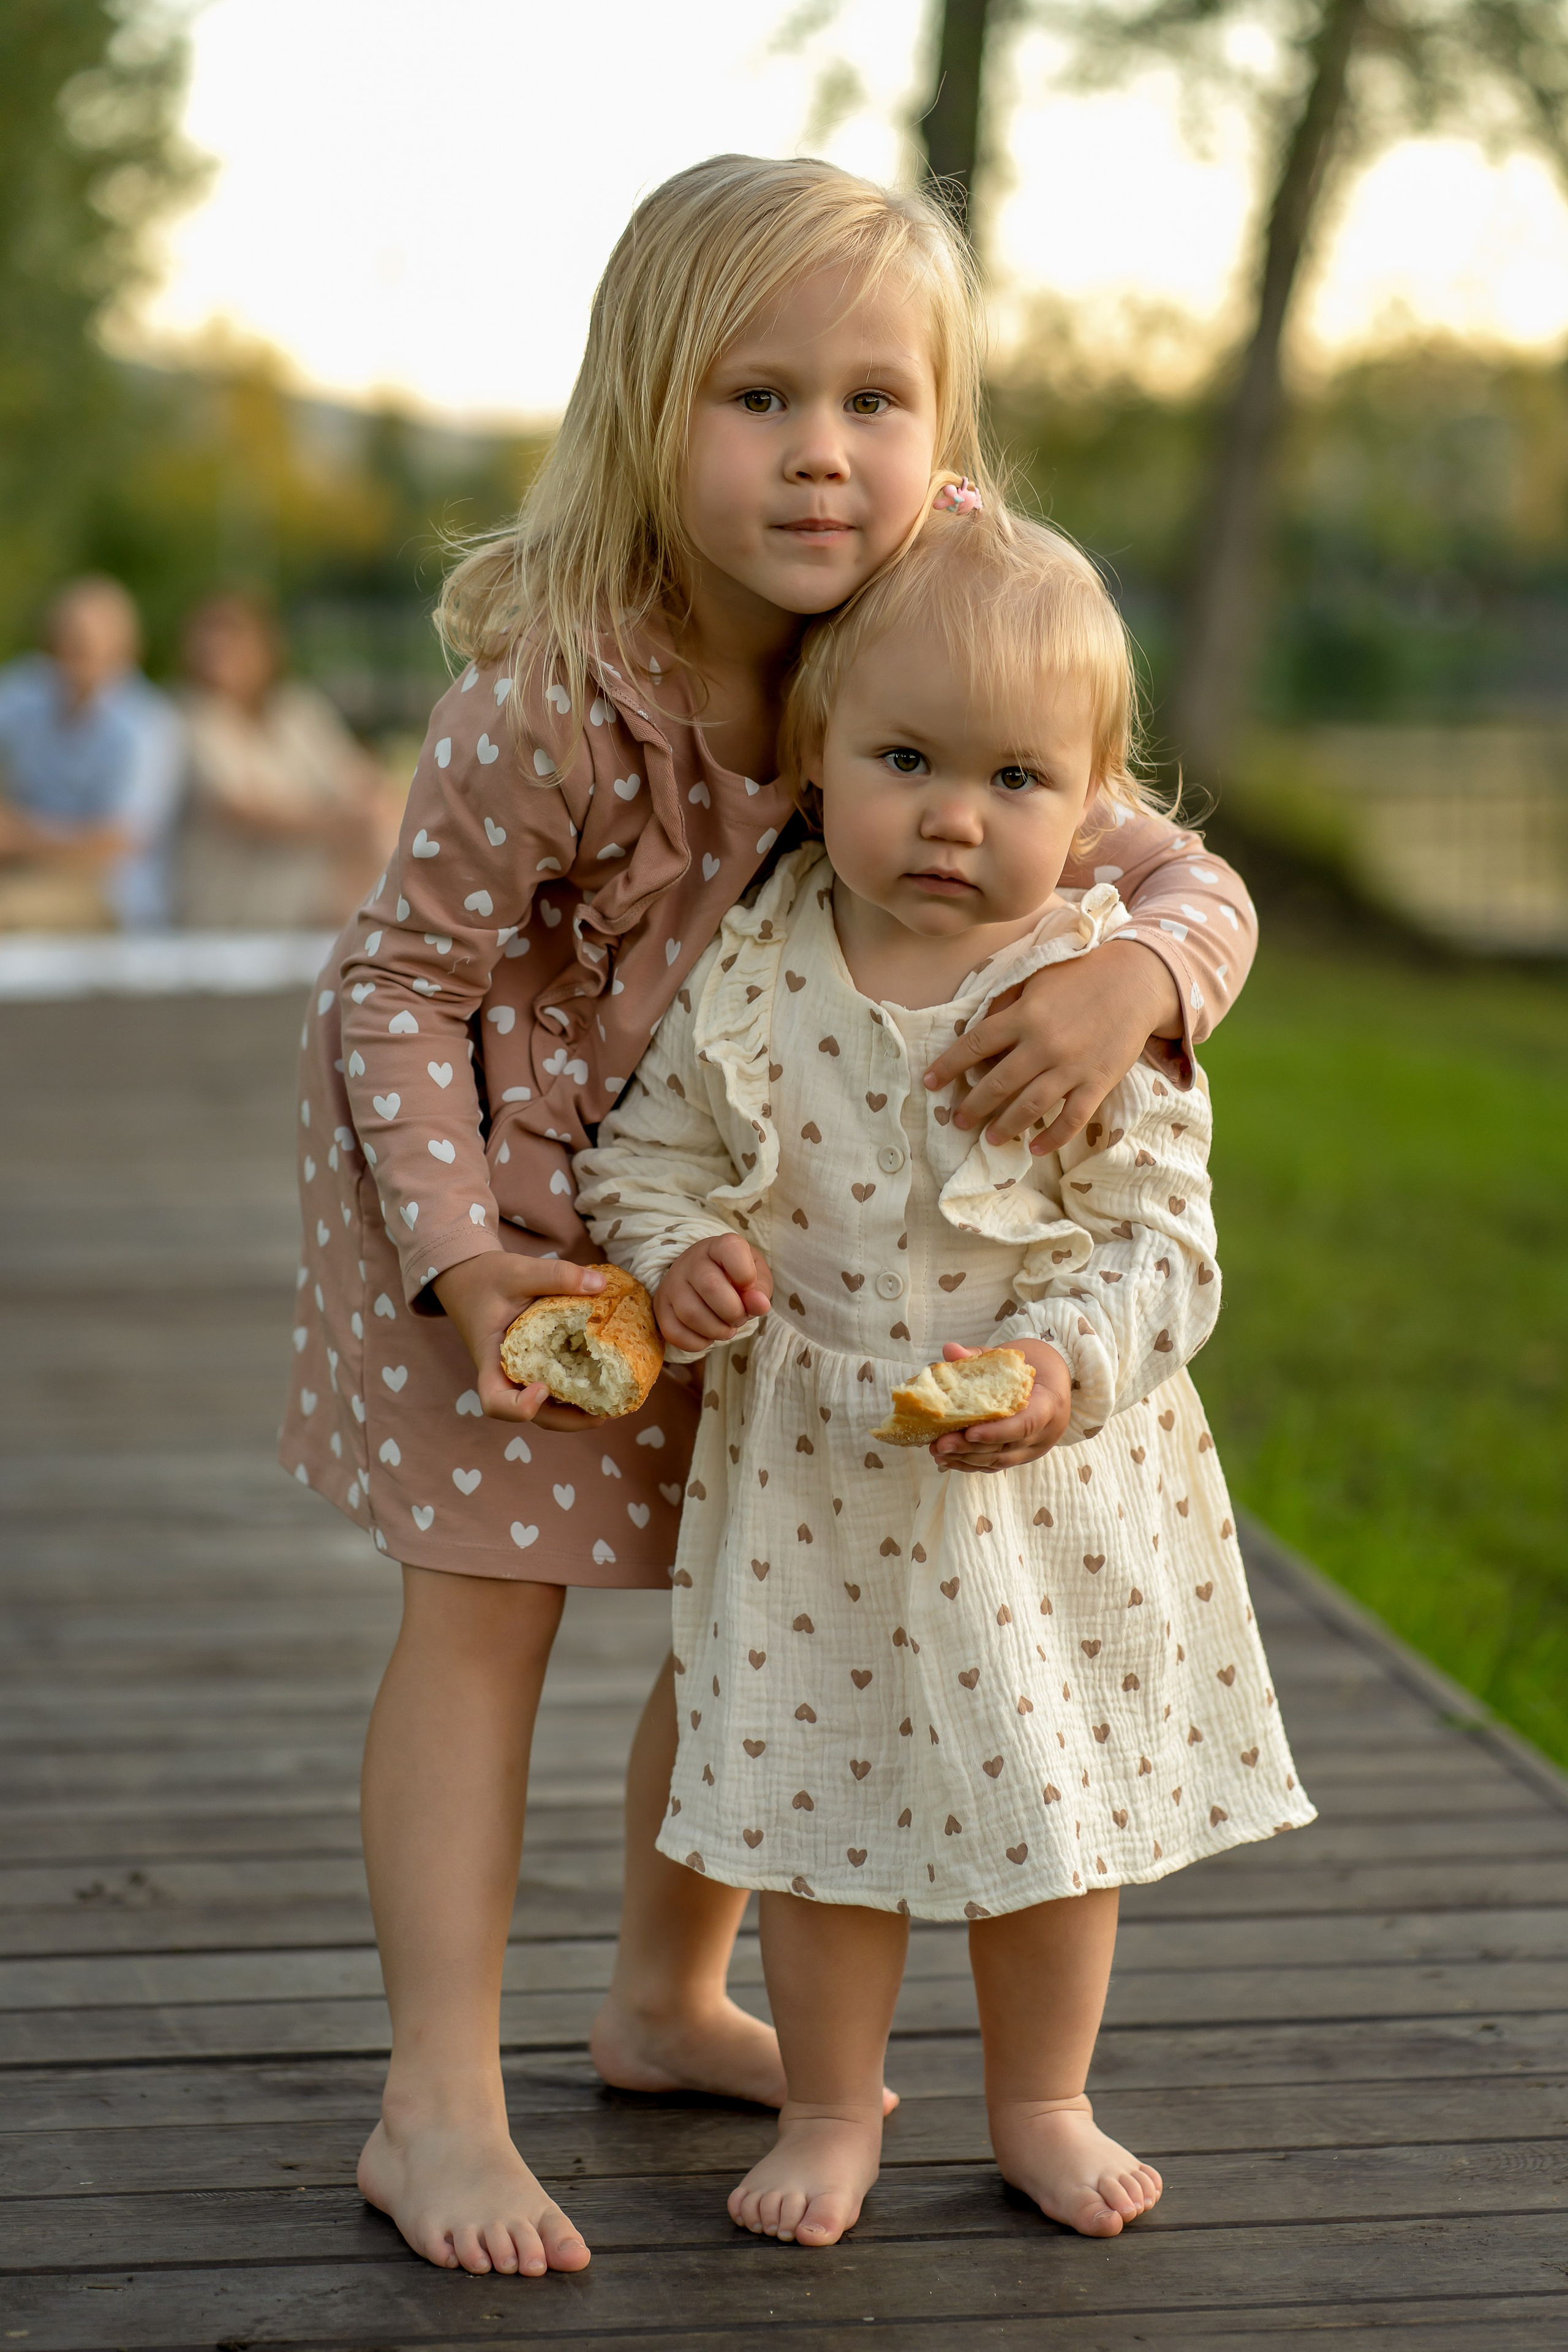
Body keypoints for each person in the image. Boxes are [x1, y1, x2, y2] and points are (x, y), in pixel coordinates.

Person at [279, 154, 1262, 2282]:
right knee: (488, 1616)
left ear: (943, 430)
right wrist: (467, 1264)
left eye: (877, 403)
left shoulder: (938, 615)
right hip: (520, 1221)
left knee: (742, 1589)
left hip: (761, 1224)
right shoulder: (558, 687)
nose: (826, 453)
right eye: (760, 399)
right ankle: (430, 2104)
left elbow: (1171, 870)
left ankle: (661, 1991)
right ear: (649, 407)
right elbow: (398, 985)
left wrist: (1140, 977)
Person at [575, 498, 1314, 2250]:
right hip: (818, 1470)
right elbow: (648, 1153)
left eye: (1015, 780)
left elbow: (1166, 1247)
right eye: (906, 759)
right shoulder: (762, 958)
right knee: (828, 1807)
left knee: (1054, 1804)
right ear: (817, 756)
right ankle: (833, 2103)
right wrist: (683, 1256)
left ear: (1092, 803)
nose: (955, 815)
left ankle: (1044, 2098)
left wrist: (1065, 1366)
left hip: (1043, 1474)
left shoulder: (1087, 995)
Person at [177, 593, 398, 929]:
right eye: (210, 650)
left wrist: (371, 806)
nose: (218, 659)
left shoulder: (295, 709)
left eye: (232, 648)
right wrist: (343, 822)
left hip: (303, 871)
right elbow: (244, 811)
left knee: (382, 825)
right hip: (234, 886)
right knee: (367, 877)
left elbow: (356, 778)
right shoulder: (193, 716)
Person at [0, 576, 184, 930]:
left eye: (82, 643)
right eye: (62, 639)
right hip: (29, 876)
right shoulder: (30, 689)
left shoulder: (147, 725)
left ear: (123, 648)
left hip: (111, 898)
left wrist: (19, 838)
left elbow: (117, 845)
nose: (68, 651)